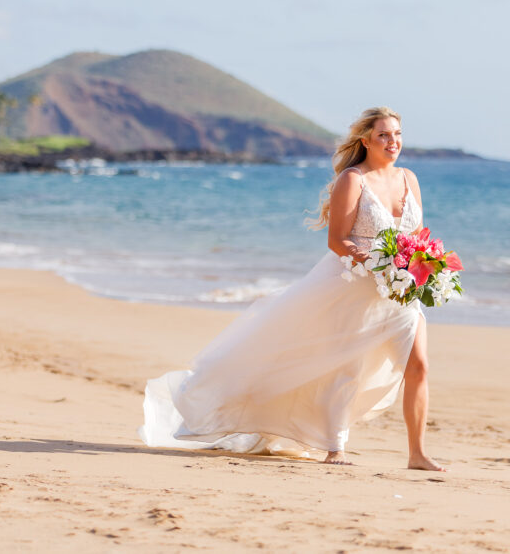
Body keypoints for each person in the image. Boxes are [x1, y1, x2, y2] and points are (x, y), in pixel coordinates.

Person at [138, 107, 445, 471]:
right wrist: (374, 261)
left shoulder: (409, 178)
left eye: (396, 134)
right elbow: (337, 240)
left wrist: (422, 264)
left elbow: (415, 237)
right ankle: (335, 447)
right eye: (383, 135)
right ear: (366, 140)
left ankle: (417, 454)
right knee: (345, 368)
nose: (392, 142)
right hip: (353, 285)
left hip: (400, 290)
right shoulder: (353, 179)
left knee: (419, 367)